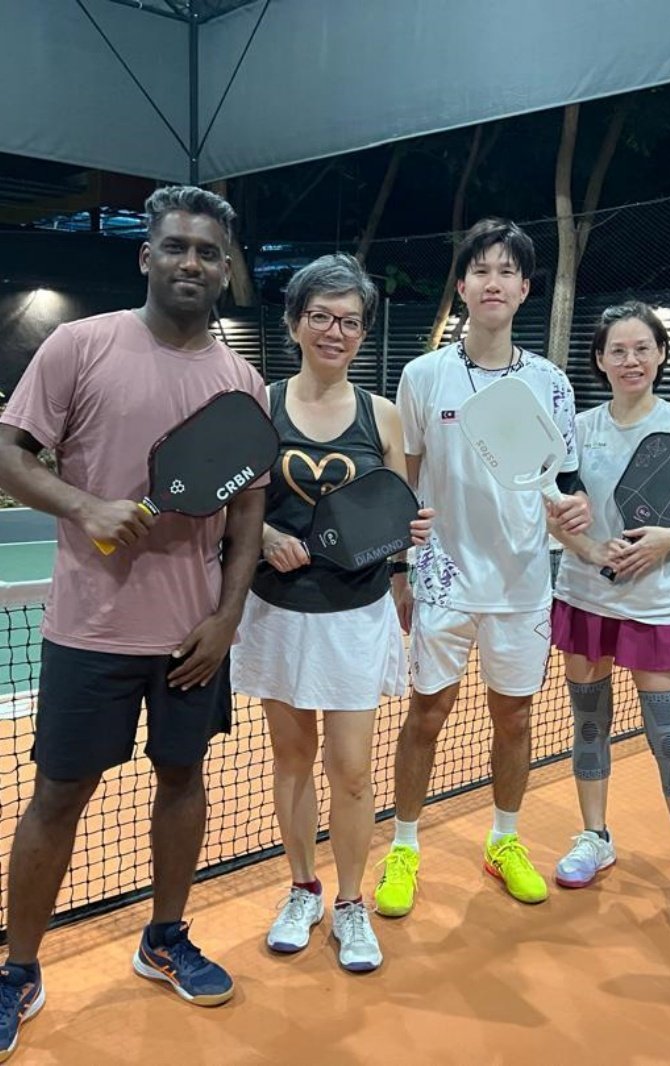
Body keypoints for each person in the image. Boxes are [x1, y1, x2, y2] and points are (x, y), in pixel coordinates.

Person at [0, 186, 268, 1060]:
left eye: (209, 252)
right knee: (58, 796)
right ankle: (17, 969)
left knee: (183, 781)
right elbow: (8, 454)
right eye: (177, 246)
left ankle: (165, 938)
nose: (193, 262)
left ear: (225, 271)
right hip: (89, 633)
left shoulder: (241, 382)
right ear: (145, 256)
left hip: (192, 638)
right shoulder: (79, 346)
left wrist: (228, 618)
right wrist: (85, 506)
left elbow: (248, 513)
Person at [374, 218, 590, 919]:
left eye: (507, 271)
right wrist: (399, 571)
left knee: (514, 718)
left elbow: (562, 481)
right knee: (426, 715)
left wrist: (572, 510)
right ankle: (404, 846)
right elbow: (404, 480)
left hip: (522, 584)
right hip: (442, 578)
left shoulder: (550, 382)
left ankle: (504, 840)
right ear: (462, 286)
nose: (493, 282)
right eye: (481, 270)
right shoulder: (423, 376)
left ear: (525, 289)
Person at [230, 253, 432, 973]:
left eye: (349, 321)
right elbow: (231, 502)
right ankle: (302, 889)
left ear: (363, 333)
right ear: (294, 324)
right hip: (277, 612)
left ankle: (350, 903)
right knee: (291, 761)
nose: (334, 331)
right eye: (320, 316)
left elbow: (395, 511)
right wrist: (265, 536)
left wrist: (409, 541)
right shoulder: (261, 404)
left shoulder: (382, 416)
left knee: (350, 770)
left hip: (355, 614)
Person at [548, 302, 670, 929]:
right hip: (585, 599)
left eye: (642, 348)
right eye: (618, 350)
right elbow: (556, 512)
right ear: (600, 360)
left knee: (669, 737)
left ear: (660, 355)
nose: (631, 360)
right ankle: (595, 836)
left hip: (654, 607)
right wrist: (589, 548)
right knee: (589, 726)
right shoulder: (577, 428)